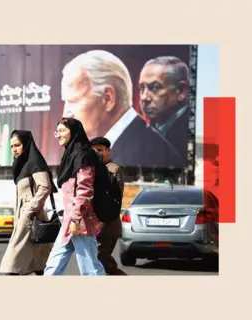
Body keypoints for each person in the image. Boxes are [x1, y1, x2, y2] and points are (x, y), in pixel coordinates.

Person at [60, 50, 183, 168]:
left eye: (73, 101)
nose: (66, 114)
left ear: (108, 98)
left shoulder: (148, 154)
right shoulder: (127, 144)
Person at [44, 118, 106, 276]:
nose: (58, 135)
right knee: (53, 264)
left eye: (62, 130)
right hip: (68, 220)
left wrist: (76, 219)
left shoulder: (83, 155)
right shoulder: (70, 155)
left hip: (81, 222)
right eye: (57, 131)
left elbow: (85, 190)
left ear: (74, 131)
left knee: (90, 269)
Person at [0, 130, 57, 276]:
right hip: (22, 214)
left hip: (30, 214)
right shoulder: (21, 165)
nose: (14, 150)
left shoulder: (34, 162)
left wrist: (29, 208)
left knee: (14, 253)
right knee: (40, 256)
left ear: (26, 144)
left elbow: (45, 187)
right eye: (12, 146)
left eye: (17, 145)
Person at [139, 56, 190, 159]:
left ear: (181, 91)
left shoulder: (187, 135)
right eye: (141, 88)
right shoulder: (146, 131)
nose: (144, 97)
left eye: (155, 87)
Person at [90, 136, 127, 275]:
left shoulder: (113, 170)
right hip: (94, 222)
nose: (97, 153)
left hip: (108, 222)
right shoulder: (91, 169)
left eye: (100, 150)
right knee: (99, 259)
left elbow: (116, 199)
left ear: (108, 151)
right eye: (94, 151)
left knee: (100, 259)